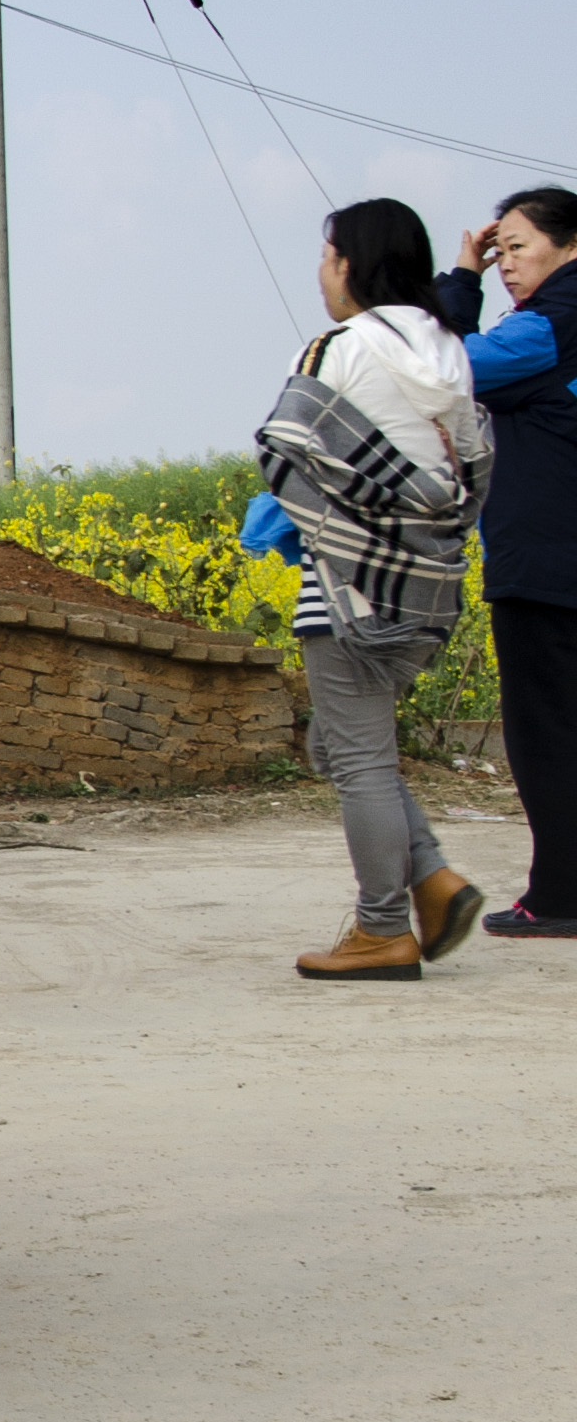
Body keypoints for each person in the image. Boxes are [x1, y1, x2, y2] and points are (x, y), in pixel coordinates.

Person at [243, 198, 491, 981]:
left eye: (326, 256)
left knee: (358, 763)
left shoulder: (337, 349)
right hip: (426, 588)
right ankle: (434, 880)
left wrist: (319, 526)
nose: (322, 271)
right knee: (344, 746)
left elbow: (285, 451)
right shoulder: (448, 348)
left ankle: (384, 927)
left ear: (349, 262)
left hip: (348, 589)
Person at [434, 185, 574, 935]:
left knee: (547, 733)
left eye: (517, 247)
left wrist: (463, 277)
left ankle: (559, 899)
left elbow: (442, 369)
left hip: (549, 566)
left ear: (571, 245)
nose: (506, 263)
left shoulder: (549, 328)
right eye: (499, 249)